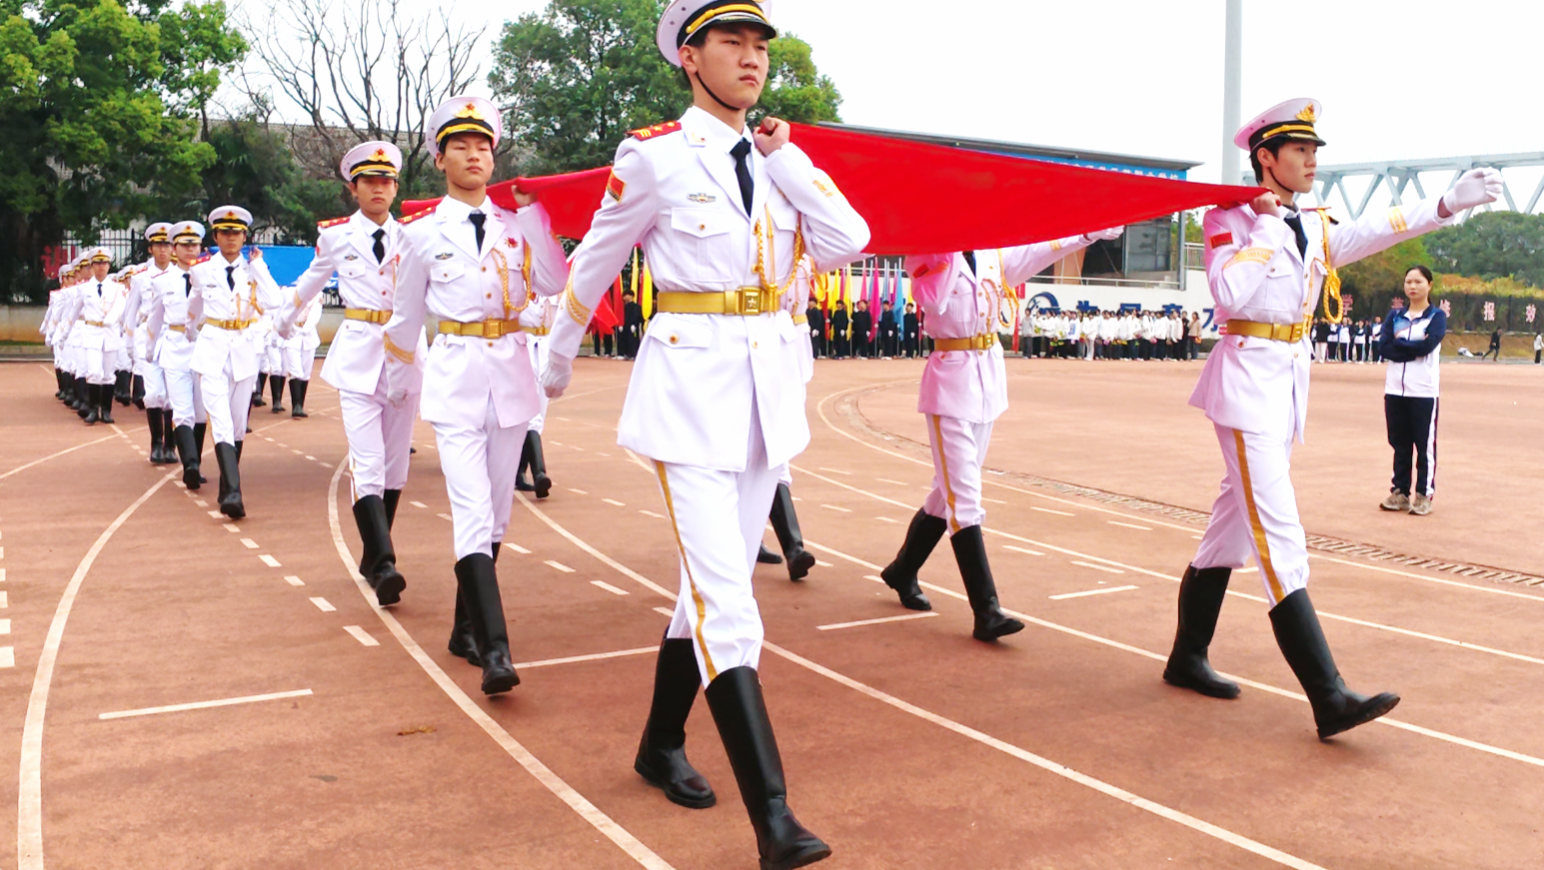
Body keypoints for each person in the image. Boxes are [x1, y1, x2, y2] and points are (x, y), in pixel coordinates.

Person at [538, 2, 871, 864]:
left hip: (765, 395)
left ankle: (658, 745)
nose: (751, 58)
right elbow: (595, 259)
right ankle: (776, 821)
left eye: (760, 45)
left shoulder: (776, 158)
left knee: (702, 596)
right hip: (688, 392)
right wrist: (555, 363)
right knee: (730, 603)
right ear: (691, 57)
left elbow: (849, 238)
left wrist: (785, 154)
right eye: (732, 42)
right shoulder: (652, 156)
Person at [1165, 97, 1500, 740]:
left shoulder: (1313, 220)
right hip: (1243, 386)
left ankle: (1186, 656)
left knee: (1229, 534)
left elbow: (1376, 229)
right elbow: (1229, 294)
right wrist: (1262, 226)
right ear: (1265, 157)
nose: (1313, 160)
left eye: (1316, 150)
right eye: (1300, 150)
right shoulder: (1228, 219)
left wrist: (1447, 204)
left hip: (1284, 386)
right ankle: (1328, 695)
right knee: (1279, 534)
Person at [382, 96, 570, 694]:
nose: (474, 155)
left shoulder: (518, 226)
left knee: (498, 515)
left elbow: (554, 283)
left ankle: (465, 628)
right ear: (440, 158)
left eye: (483, 146)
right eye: (460, 146)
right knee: (471, 511)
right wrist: (396, 388)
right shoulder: (419, 235)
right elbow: (404, 320)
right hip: (457, 377)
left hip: (512, 376)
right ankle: (496, 651)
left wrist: (538, 216)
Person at [880, 229, 1123, 638]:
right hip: (950, 380)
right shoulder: (927, 250)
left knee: (947, 492)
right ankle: (985, 609)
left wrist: (1086, 235)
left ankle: (903, 569)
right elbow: (932, 299)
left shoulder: (992, 252)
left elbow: (1038, 252)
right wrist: (947, 247)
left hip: (987, 378)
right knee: (965, 497)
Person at [280, 140, 426, 606]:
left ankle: (372, 552)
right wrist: (284, 319)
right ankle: (384, 562)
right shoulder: (337, 237)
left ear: (396, 187)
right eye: (369, 181)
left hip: (404, 354)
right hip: (360, 347)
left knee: (396, 463)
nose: (378, 188)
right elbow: (311, 281)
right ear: (354, 189)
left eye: (386, 181)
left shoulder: (416, 237)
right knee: (368, 461)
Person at [188, 206, 283, 519]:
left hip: (244, 350)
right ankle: (233, 491)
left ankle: (228, 483)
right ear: (216, 236)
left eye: (237, 233)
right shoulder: (201, 269)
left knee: (238, 423)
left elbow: (273, 303)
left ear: (245, 237)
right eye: (225, 232)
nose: (231, 238)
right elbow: (194, 306)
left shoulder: (254, 270)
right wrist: (190, 332)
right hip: (213, 346)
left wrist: (259, 270)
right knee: (221, 419)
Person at [146, 221, 210, 489]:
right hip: (175, 346)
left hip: (204, 346)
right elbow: (154, 318)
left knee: (200, 412)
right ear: (174, 248)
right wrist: (148, 352)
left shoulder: (211, 276)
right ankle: (191, 465)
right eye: (184, 245)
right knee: (181, 410)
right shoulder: (163, 282)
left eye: (194, 244)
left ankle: (195, 461)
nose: (190, 249)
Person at [1379, 265, 1446, 517]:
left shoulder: (1436, 317)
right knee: (1400, 443)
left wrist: (1402, 345)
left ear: (1429, 284)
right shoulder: (1394, 317)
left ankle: (1423, 494)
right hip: (1395, 390)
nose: (1412, 286)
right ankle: (1400, 492)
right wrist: (1410, 347)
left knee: (1424, 444)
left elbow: (1427, 346)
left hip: (1423, 392)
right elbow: (1384, 348)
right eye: (1408, 281)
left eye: (1418, 281)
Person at [123, 224, 178, 462]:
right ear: (151, 248)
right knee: (154, 393)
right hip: (148, 337)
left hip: (173, 336)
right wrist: (130, 344)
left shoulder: (182, 275)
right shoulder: (140, 279)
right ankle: (156, 442)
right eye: (158, 245)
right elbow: (130, 312)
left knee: (173, 395)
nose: (163, 250)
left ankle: (171, 446)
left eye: (167, 245)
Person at [515, 290, 558, 499]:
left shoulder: (555, 288)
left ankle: (519, 471)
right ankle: (539, 472)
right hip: (520, 346)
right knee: (531, 416)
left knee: (539, 415)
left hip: (545, 348)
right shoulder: (515, 279)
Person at [620, 288, 645, 359]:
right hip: (624, 325)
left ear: (631, 296)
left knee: (633, 340)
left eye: (626, 295)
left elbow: (637, 316)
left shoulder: (636, 306)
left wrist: (634, 324)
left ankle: (633, 354)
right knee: (624, 339)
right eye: (623, 296)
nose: (624, 297)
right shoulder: (623, 306)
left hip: (633, 326)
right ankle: (625, 353)